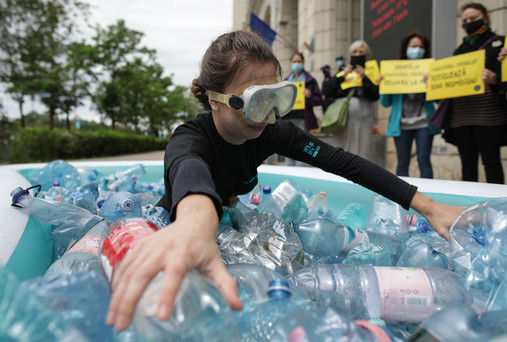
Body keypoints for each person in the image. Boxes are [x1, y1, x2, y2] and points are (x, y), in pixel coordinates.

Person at [105, 31, 464, 332]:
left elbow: (345, 163)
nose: (267, 115)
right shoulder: (189, 139)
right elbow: (190, 173)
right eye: (254, 101)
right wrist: (195, 225)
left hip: (227, 230)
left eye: (275, 98)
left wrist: (429, 207)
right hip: (180, 231)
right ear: (214, 101)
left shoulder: (269, 132)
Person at [440, 2, 507, 184]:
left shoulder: (500, 45)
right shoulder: (460, 50)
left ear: (486, 18)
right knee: (467, 162)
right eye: (465, 20)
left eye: (473, 18)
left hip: (487, 113)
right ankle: (468, 203)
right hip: (461, 115)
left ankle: (498, 203)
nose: (468, 23)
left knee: (491, 160)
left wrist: (495, 77)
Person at [379, 31, 440, 178]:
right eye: (413, 46)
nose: (417, 50)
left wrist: (433, 82)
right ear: (406, 49)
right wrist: (384, 86)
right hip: (401, 126)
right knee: (402, 162)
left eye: (420, 47)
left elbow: (439, 100)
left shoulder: (431, 70)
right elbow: (385, 103)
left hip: (424, 124)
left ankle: (428, 195)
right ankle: (402, 197)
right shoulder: (394, 71)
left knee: (424, 160)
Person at [325, 40, 379, 160]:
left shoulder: (371, 73)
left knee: (362, 148)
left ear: (367, 56)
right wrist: (343, 76)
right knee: (342, 147)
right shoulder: (342, 72)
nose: (358, 54)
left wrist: (364, 77)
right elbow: (328, 92)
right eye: (355, 52)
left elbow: (375, 95)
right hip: (342, 118)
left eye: (361, 52)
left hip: (363, 117)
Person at [282, 52, 322, 165]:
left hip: (303, 119)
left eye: (299, 61)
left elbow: (318, 100)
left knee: (303, 147)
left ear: (303, 63)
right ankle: (288, 172)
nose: (296, 64)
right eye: (294, 62)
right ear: (290, 63)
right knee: (287, 148)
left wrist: (309, 96)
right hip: (287, 119)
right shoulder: (286, 81)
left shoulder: (310, 80)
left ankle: (301, 172)